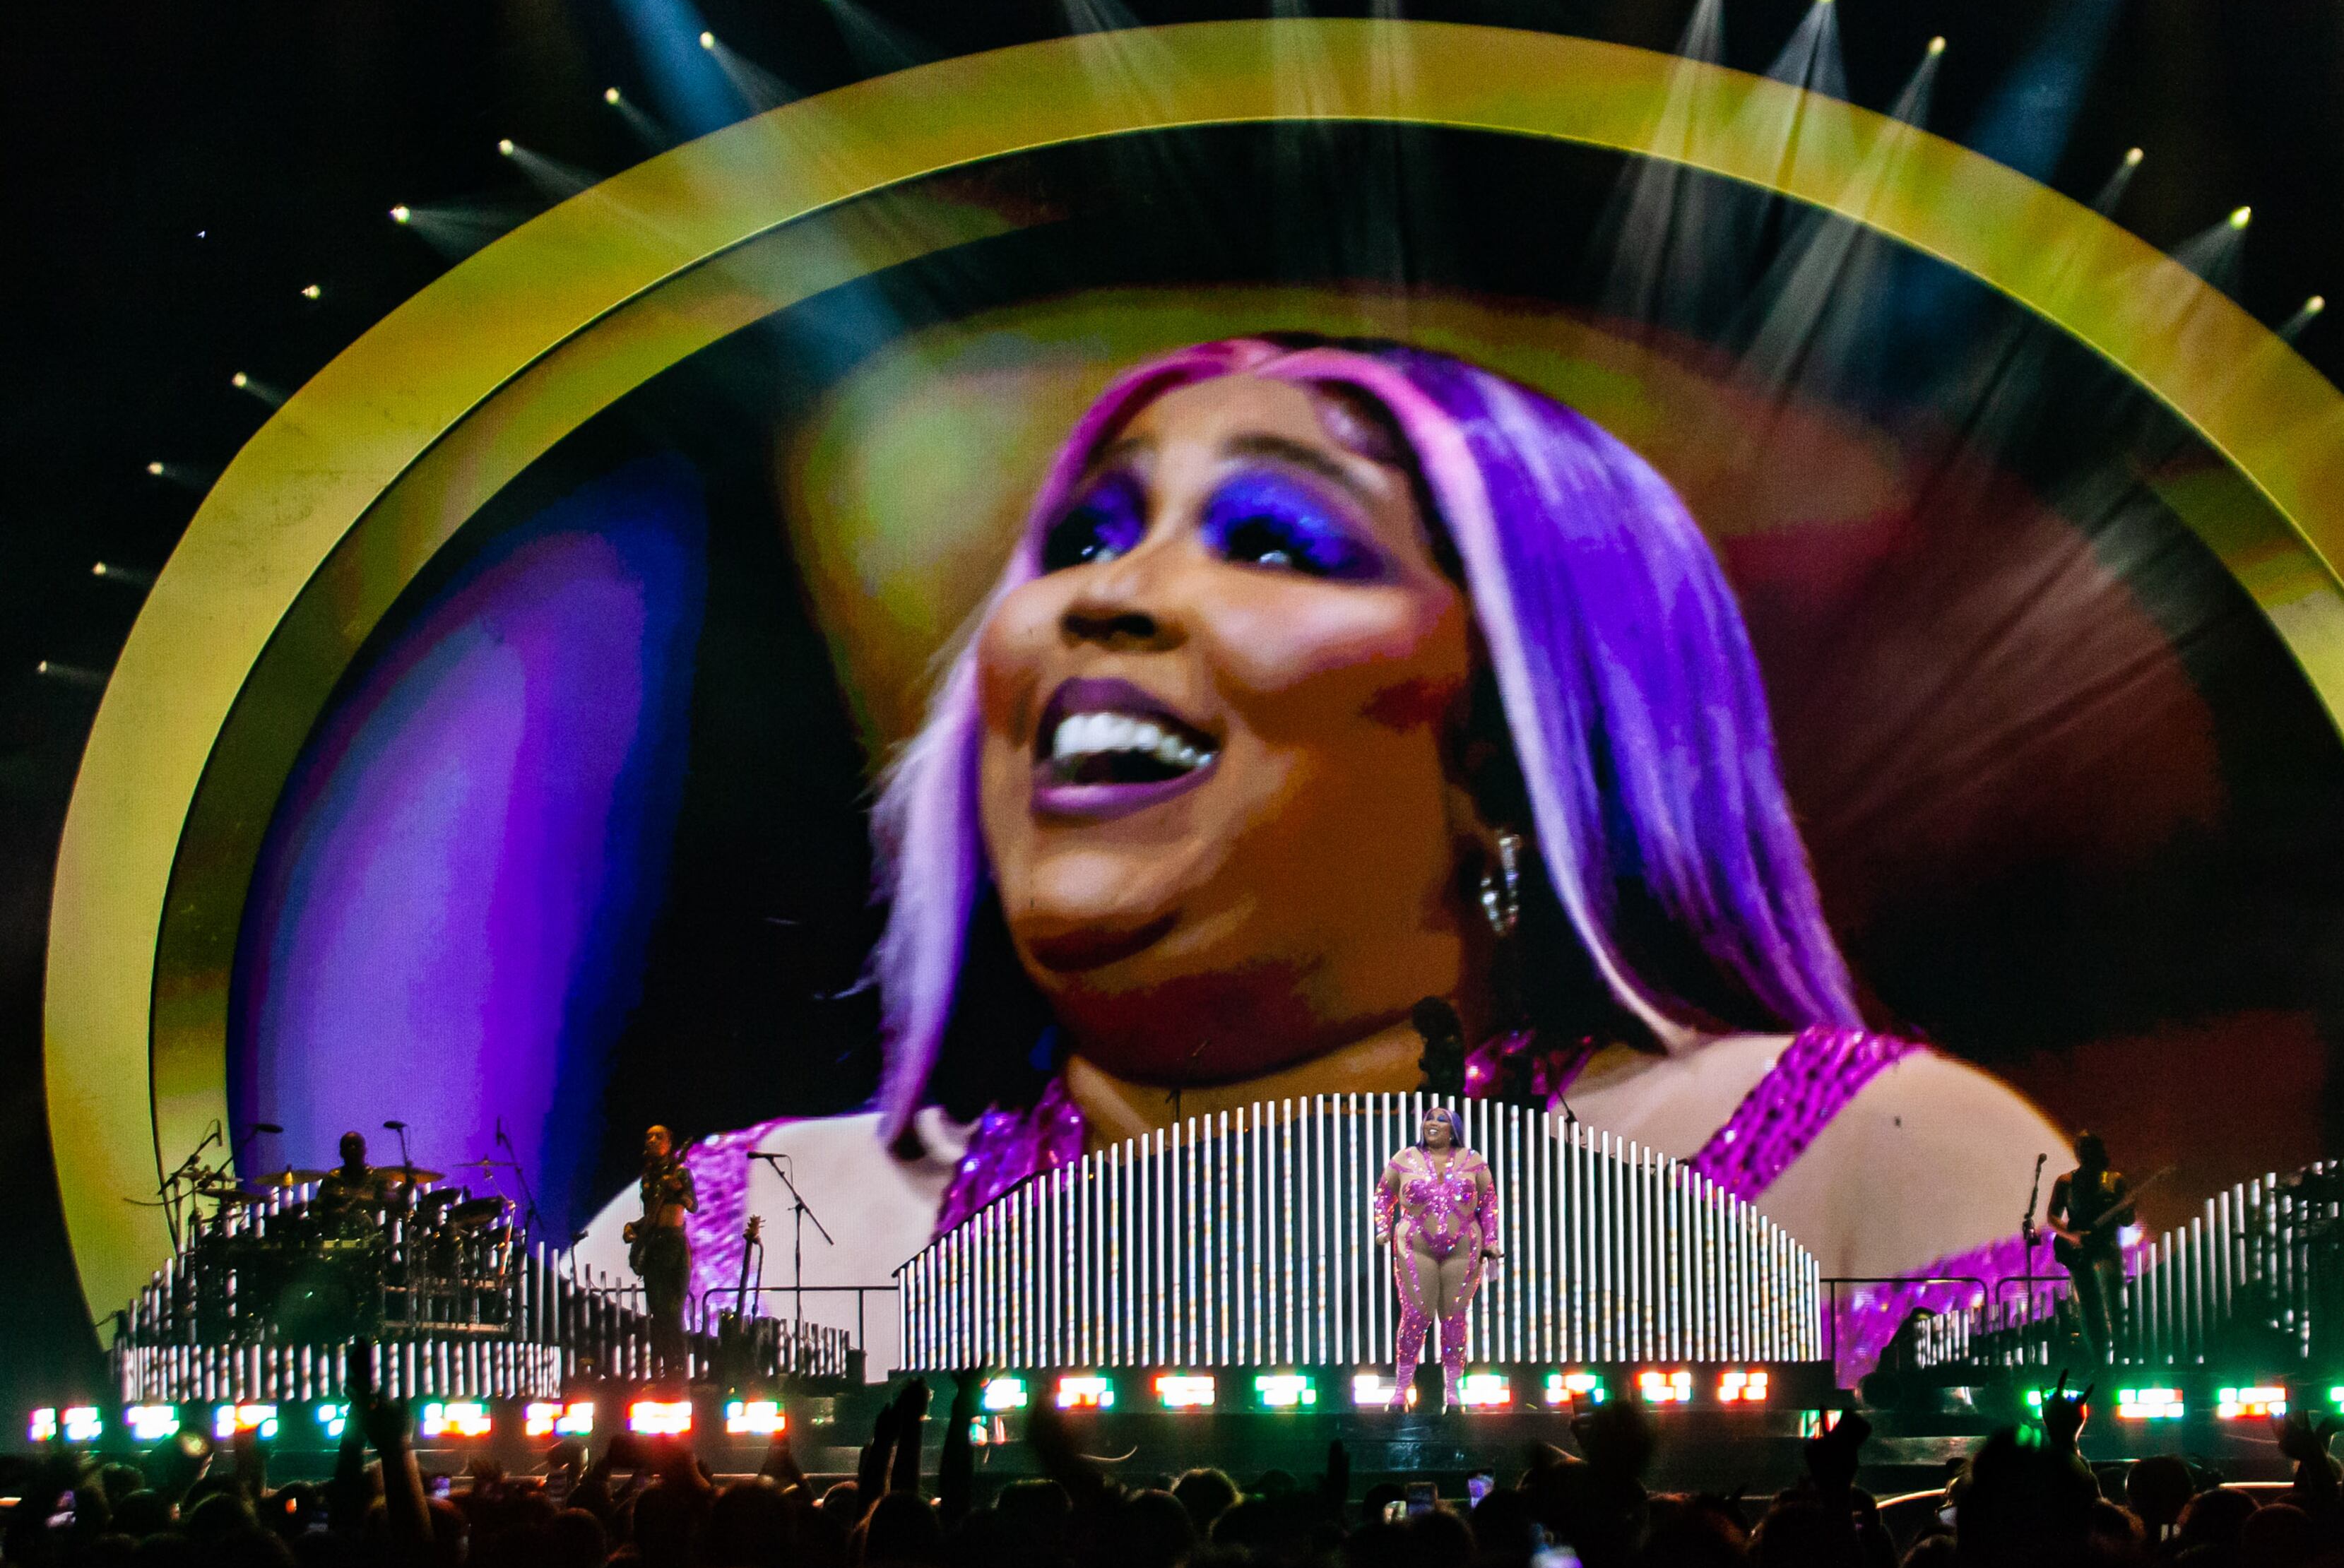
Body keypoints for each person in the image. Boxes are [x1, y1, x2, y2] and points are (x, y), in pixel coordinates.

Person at [592, 336, 2066, 1366]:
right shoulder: (744, 1234)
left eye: (1280, 541)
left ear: (1505, 738)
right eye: (1089, 535)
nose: (1107, 595)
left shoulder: (1873, 1173)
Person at [1373, 1107, 1500, 1410]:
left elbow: (1489, 1202)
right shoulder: (1404, 1158)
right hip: (1415, 1244)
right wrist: (1383, 1228)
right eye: (1429, 1118)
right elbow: (1383, 1195)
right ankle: (1402, 1388)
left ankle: (1454, 1391)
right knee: (1416, 1315)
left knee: (1454, 1317)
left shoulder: (1474, 1160)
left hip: (1463, 1245)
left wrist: (1492, 1241)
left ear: (1453, 1129)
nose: (1433, 1124)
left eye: (1441, 1120)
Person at [2047, 1133, 2129, 1365]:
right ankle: (2100, 1359)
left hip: (2108, 1248)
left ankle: (2122, 1356)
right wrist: (2070, 1236)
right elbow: (2052, 1216)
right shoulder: (2066, 1182)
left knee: (2116, 1302)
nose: (2084, 1154)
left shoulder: (2116, 1181)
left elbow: (2126, 1220)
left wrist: (2128, 1209)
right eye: (2081, 1149)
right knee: (2089, 1304)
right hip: (2081, 1252)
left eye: (2088, 1149)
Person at [625, 1125, 695, 1382]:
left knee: (674, 1309)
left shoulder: (681, 1172)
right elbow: (651, 1215)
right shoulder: (647, 1177)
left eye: (659, 1137)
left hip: (675, 1246)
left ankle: (679, 1368)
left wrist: (676, 1188)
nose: (653, 1140)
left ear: (670, 1143)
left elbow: (692, 1204)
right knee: (659, 1312)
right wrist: (633, 1227)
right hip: (654, 1246)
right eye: (649, 1137)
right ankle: (662, 1367)